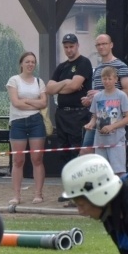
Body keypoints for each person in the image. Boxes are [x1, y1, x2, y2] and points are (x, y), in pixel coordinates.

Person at [46, 34, 93, 203]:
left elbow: (75, 86)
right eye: (66, 47)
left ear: (77, 45)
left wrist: (63, 86)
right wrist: (65, 82)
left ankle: (80, 192)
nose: (69, 50)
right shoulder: (62, 67)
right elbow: (49, 89)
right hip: (62, 114)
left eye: (71, 46)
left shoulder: (84, 63)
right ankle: (70, 189)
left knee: (77, 152)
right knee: (64, 152)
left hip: (79, 114)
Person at [6, 51, 47, 205]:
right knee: (18, 160)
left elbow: (44, 103)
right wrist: (33, 102)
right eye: (27, 61)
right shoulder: (14, 80)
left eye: (33, 62)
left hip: (36, 121)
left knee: (37, 159)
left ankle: (38, 193)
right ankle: (16, 195)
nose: (30, 64)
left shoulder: (39, 82)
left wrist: (27, 101)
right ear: (21, 63)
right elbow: (16, 102)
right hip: (18, 122)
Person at [83, 34, 128, 155]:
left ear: (111, 45)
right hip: (97, 117)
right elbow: (98, 96)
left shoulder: (121, 66)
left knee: (112, 157)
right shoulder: (98, 68)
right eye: (98, 45)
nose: (101, 47)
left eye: (104, 44)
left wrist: (100, 93)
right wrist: (90, 99)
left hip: (114, 119)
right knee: (85, 151)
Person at [85, 66, 128, 175]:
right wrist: (90, 124)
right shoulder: (97, 97)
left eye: (109, 79)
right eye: (104, 79)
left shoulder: (121, 95)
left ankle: (121, 192)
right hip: (100, 140)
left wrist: (112, 126)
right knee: (102, 172)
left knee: (118, 172)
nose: (107, 81)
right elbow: (95, 116)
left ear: (116, 79)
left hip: (116, 140)